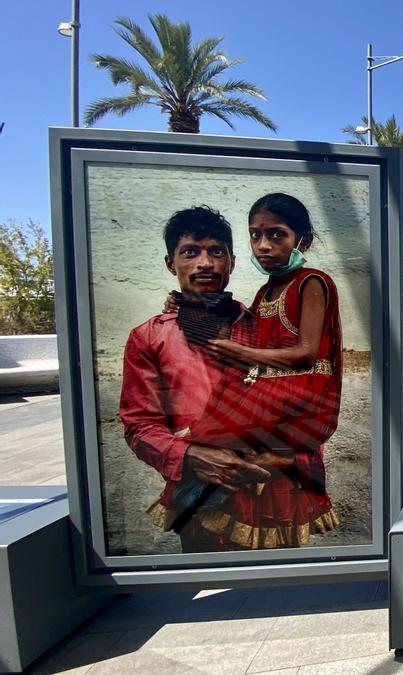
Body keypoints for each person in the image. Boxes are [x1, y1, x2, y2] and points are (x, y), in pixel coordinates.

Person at [192, 192, 344, 551]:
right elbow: (248, 332)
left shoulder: (312, 282)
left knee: (211, 433)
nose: (263, 245)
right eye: (255, 235)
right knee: (204, 428)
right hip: (272, 390)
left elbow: (306, 354)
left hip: (303, 393)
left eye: (277, 234)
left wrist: (239, 352)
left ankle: (277, 456)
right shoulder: (265, 291)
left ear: (300, 240)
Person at [119, 206, 275, 553]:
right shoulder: (148, 338)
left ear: (232, 262)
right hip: (203, 509)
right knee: (215, 596)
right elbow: (140, 427)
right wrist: (192, 456)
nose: (205, 264)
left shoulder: (267, 331)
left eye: (216, 252)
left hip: (275, 499)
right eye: (190, 252)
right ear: (170, 263)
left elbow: (305, 406)